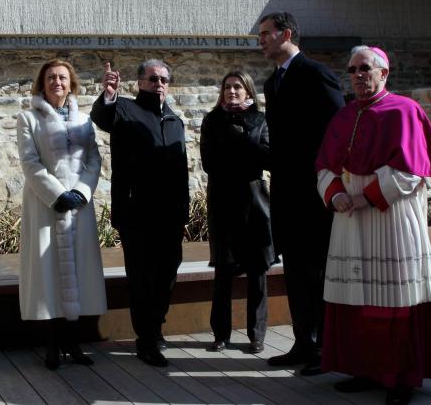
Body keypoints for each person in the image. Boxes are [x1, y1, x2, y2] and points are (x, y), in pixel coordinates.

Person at [315, 46, 431, 405]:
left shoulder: (405, 111)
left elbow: (411, 172)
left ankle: (400, 378)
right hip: (349, 217)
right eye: (352, 69)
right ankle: (364, 369)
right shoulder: (344, 116)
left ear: (384, 73)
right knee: (357, 297)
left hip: (390, 216)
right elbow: (324, 166)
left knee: (395, 300)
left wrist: (364, 197)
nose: (358, 75)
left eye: (365, 68)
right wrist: (335, 193)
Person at [257, 11, 345, 372]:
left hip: (314, 195)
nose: (260, 40)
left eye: (265, 34)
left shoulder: (316, 73)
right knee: (295, 272)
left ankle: (326, 350)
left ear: (286, 34)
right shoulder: (272, 82)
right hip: (286, 195)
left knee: (318, 272)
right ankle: (302, 344)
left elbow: (337, 131)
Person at [90, 59, 189, 367]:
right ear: (140, 83)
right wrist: (108, 93)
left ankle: (154, 325)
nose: (158, 84)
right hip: (137, 213)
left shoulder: (175, 120)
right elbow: (102, 117)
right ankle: (145, 339)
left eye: (163, 80)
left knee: (168, 271)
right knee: (142, 277)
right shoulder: (124, 110)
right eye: (152, 79)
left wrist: (184, 211)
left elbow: (182, 170)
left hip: (170, 214)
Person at [16, 59, 106, 370]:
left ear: (71, 83)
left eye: (63, 78)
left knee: (78, 274)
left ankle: (74, 342)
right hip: (45, 206)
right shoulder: (28, 118)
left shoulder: (84, 120)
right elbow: (29, 162)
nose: (57, 82)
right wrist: (56, 195)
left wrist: (81, 191)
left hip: (79, 207)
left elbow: (94, 159)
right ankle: (52, 344)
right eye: (51, 77)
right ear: (42, 83)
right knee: (48, 275)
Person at [200, 71, 275, 355]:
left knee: (258, 272)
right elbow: (210, 162)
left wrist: (240, 142)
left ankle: (257, 335)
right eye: (228, 86)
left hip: (255, 204)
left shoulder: (260, 119)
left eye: (238, 87)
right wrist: (243, 147)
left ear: (248, 93)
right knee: (223, 273)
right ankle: (220, 334)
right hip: (223, 202)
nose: (232, 91)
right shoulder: (212, 120)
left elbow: (268, 158)